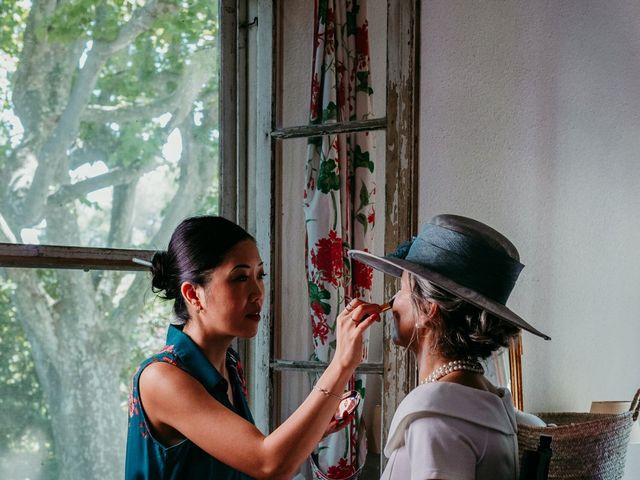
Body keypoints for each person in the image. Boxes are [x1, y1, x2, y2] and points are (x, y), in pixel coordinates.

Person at [125, 216, 381, 479]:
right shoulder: (162, 379)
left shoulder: (230, 365)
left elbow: (245, 463)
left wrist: (316, 428)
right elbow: (267, 463)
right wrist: (341, 364)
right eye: (239, 278)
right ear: (193, 294)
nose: (257, 292)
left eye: (260, 275)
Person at [348, 214, 551, 480]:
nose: (393, 301)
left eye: (401, 288)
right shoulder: (485, 399)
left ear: (428, 310)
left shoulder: (437, 417)